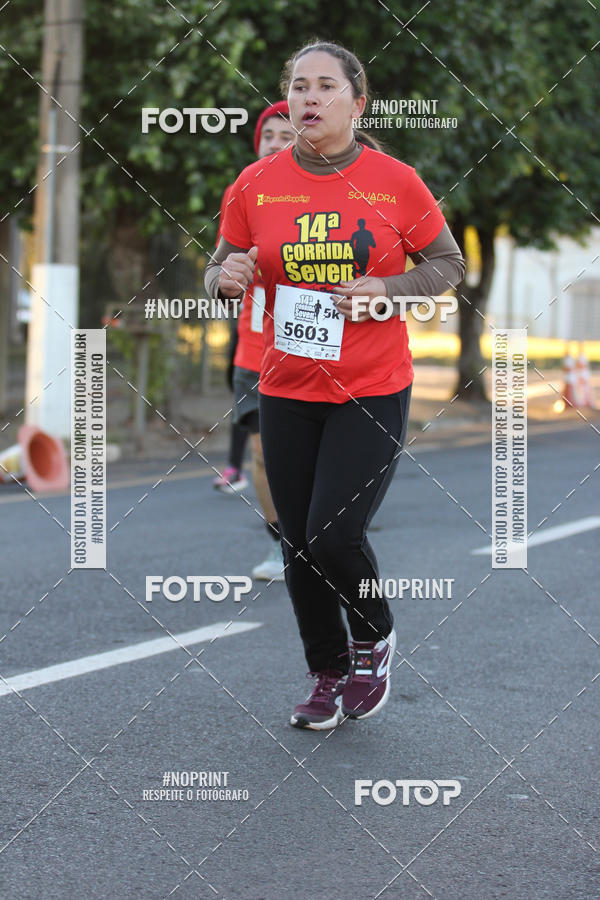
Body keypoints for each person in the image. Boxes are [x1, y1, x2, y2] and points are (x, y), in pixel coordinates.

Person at [205, 41, 465, 729]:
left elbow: (446, 263)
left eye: (325, 86)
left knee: (332, 533)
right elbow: (224, 264)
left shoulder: (394, 181)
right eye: (298, 86)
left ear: (358, 101)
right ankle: (326, 673)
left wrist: (387, 287)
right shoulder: (256, 184)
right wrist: (223, 278)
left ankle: (372, 637)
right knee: (296, 541)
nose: (309, 98)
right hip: (286, 384)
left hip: (371, 386)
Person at [216, 101, 296, 578]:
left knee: (306, 461)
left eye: (286, 137)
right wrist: (227, 277)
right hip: (255, 347)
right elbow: (220, 266)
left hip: (315, 349)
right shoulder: (242, 191)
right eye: (268, 136)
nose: (275, 144)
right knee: (265, 459)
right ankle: (283, 545)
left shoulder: (320, 193)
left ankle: (322, 543)